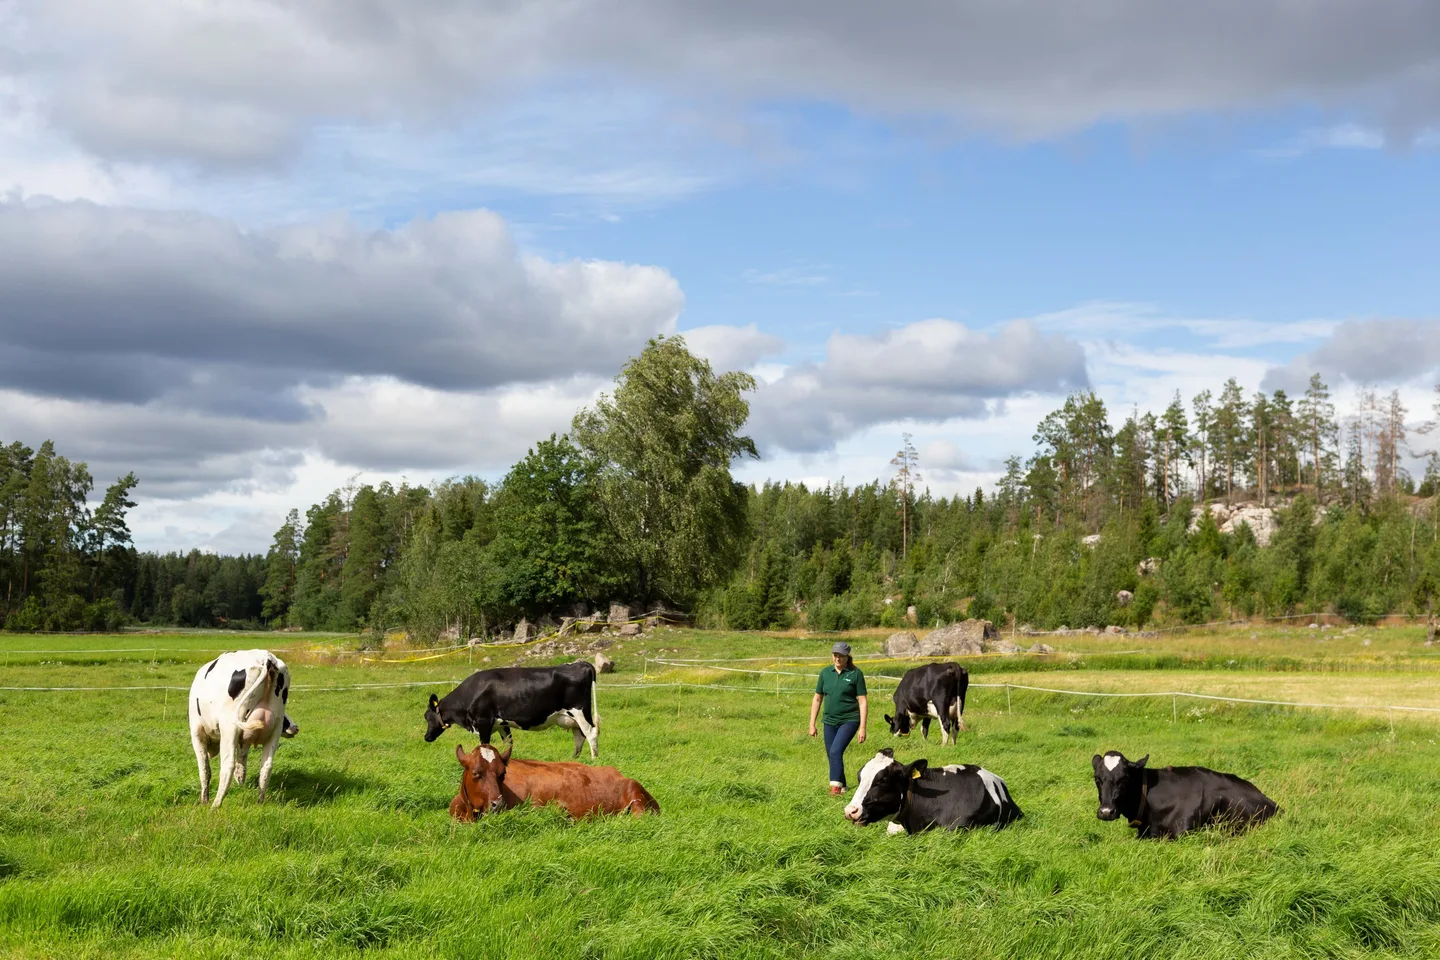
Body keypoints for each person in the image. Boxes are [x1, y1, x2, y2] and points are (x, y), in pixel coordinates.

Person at [809, 641, 867, 795]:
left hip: (849, 720)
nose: (837, 658)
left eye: (841, 656)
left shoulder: (855, 674)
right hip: (829, 721)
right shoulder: (825, 673)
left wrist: (862, 727)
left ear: (847, 657)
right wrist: (812, 723)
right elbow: (817, 699)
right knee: (832, 755)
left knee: (835, 751)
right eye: (835, 655)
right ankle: (844, 786)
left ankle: (835, 790)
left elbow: (862, 701)